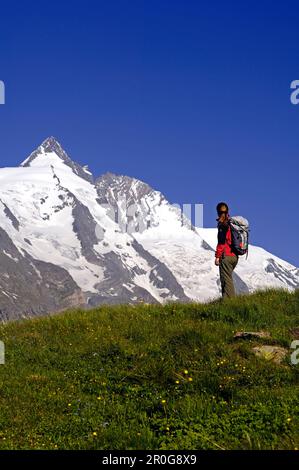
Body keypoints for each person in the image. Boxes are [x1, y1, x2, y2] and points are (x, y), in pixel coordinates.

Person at [215, 202, 238, 298]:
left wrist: (217, 256)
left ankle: (229, 304)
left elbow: (221, 243)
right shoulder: (232, 223)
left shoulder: (223, 225)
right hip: (235, 257)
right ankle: (229, 302)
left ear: (218, 212)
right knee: (228, 279)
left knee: (226, 281)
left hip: (226, 257)